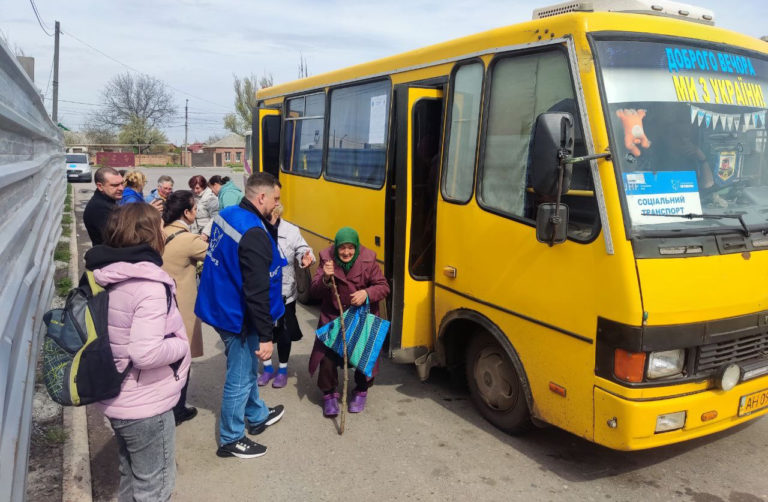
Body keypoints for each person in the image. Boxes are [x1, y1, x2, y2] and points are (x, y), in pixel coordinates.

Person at [84, 203, 190, 501]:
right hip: (146, 405)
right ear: (148, 235)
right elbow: (145, 353)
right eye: (159, 227)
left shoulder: (106, 272)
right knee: (155, 488)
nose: (162, 232)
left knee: (129, 476)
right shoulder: (149, 285)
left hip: (117, 396)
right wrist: (181, 344)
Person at [195, 172, 287, 459]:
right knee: (241, 375)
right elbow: (256, 292)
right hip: (238, 316)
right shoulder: (253, 233)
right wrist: (266, 337)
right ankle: (231, 438)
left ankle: (257, 415)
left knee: (244, 370)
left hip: (219, 305)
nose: (277, 205)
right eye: (275, 199)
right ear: (261, 197)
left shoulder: (230, 213)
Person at [309, 227, 390, 416]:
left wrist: (366, 293)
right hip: (334, 317)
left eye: (350, 248)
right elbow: (314, 290)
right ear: (336, 247)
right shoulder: (327, 258)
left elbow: (383, 286)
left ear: (357, 248)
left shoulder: (369, 260)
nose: (346, 252)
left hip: (360, 317)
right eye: (342, 248)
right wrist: (326, 278)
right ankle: (329, 395)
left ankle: (361, 390)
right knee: (327, 357)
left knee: (363, 354)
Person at [161, 190, 209, 425]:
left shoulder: (159, 231)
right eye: (194, 208)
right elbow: (217, 256)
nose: (196, 212)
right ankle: (177, 408)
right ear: (187, 212)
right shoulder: (189, 240)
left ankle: (163, 405)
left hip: (160, 304)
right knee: (182, 358)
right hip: (181, 307)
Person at [257, 203, 315, 388]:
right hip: (259, 292)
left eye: (270, 216)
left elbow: (303, 249)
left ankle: (282, 369)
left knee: (284, 333)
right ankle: (266, 368)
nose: (267, 219)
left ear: (276, 213)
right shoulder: (254, 227)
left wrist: (306, 257)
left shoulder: (290, 230)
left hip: (285, 293)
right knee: (261, 331)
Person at [83, 167, 123, 246]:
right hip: (110, 256)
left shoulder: (108, 201)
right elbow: (119, 239)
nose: (121, 188)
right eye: (115, 185)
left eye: (122, 183)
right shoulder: (100, 208)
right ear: (100, 186)